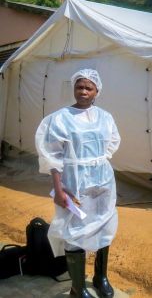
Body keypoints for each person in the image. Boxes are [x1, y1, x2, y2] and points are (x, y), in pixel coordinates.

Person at [35, 69, 121, 298]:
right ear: (74, 89)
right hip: (73, 181)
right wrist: (59, 187)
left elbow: (112, 143)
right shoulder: (60, 118)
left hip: (103, 181)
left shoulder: (105, 117)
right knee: (75, 229)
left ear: (97, 91)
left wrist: (96, 165)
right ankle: (77, 287)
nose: (83, 91)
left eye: (88, 87)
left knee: (104, 223)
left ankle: (100, 277)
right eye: (79, 87)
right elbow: (52, 155)